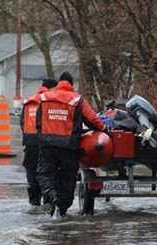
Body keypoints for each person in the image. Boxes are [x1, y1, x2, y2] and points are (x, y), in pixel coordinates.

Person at [36, 72, 106, 217]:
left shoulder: (44, 97)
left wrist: (43, 137)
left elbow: (38, 122)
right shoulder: (77, 99)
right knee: (68, 179)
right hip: (69, 147)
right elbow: (92, 120)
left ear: (58, 83)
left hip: (48, 145)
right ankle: (62, 209)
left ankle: (52, 196)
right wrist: (104, 130)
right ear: (71, 84)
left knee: (44, 174)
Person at [20, 79, 57, 209]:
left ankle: (34, 202)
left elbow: (22, 122)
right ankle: (47, 202)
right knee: (46, 172)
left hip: (30, 142)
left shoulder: (29, 101)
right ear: (52, 88)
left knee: (31, 171)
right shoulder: (49, 100)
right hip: (45, 141)